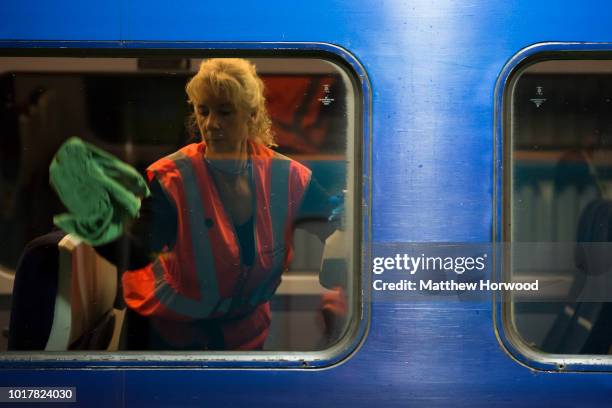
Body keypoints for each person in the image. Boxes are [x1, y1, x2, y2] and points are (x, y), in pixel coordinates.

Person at [92, 58, 341, 350]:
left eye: (225, 112)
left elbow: (334, 221)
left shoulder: (287, 177)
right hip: (164, 335)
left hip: (242, 337)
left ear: (250, 115)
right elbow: (137, 251)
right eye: (203, 111)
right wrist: (100, 228)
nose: (211, 123)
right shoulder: (171, 179)